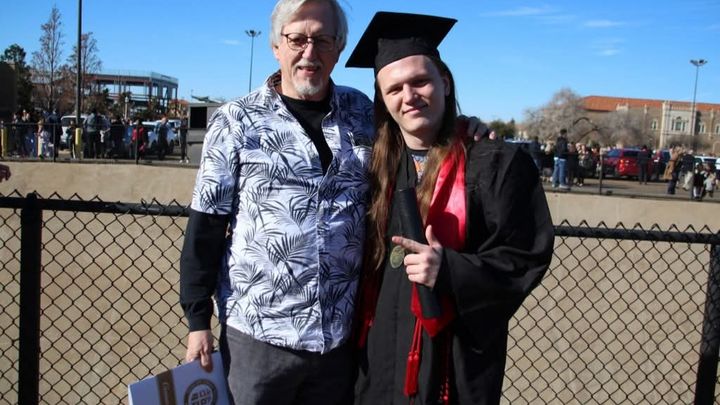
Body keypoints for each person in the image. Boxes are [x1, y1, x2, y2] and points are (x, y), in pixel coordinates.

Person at [345, 12, 554, 405]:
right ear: (383, 100)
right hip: (375, 357)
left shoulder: (494, 163)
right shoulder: (374, 166)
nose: (408, 96)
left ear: (444, 81)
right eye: (394, 89)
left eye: (419, 81)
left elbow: (525, 257)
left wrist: (451, 270)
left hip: (452, 361)